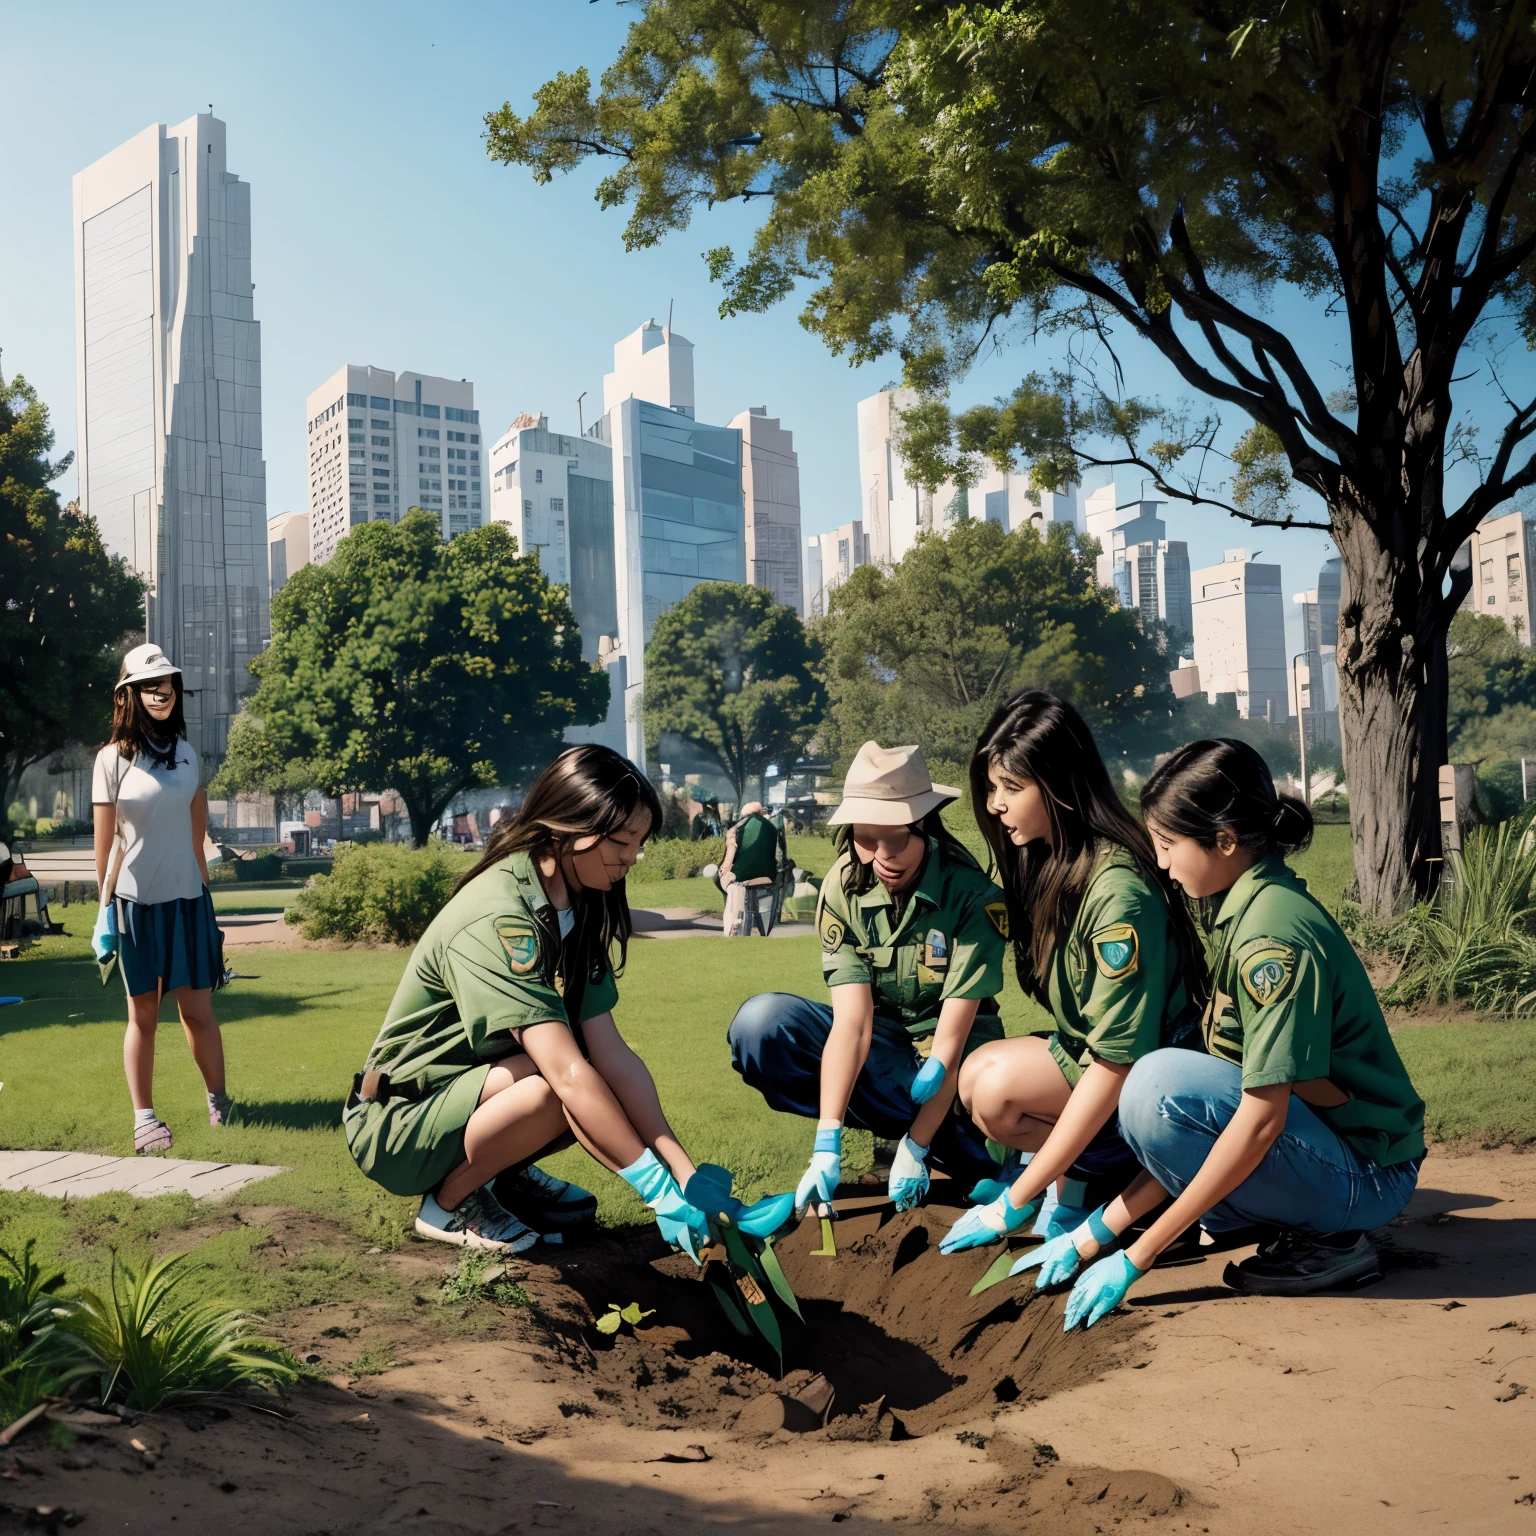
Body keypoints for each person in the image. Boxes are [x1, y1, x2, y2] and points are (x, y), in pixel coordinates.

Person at [1056, 739, 1426, 1329]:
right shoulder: (1250, 910)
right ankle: (1300, 1223)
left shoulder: (1268, 939)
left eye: (1168, 843)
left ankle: (1334, 1243)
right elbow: (1218, 1119)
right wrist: (1094, 1234)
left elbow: (1258, 1121)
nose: (1161, 862)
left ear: (1224, 841)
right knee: (1157, 1088)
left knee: (1157, 1084)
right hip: (1333, 1152)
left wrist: (1135, 1257)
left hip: (1366, 1176)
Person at [344, 744, 719, 1255]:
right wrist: (656, 1192)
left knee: (592, 1076)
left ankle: (501, 1175)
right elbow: (566, 1074)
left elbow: (613, 1056)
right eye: (623, 840)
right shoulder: (499, 916)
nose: (633, 857)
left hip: (467, 1094)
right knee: (558, 1086)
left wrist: (684, 1172)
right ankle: (451, 1203)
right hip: (398, 1120)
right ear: (573, 828)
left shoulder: (576, 903)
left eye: (640, 841)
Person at [939, 691, 1207, 1261]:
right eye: (992, 788)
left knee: (994, 1091)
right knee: (978, 1080)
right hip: (1100, 1055)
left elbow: (1118, 1060)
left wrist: (1018, 1197)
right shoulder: (1052, 864)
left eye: (1012, 789)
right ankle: (1091, 1177)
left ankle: (1136, 1173)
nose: (995, 806)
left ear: (1058, 786)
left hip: (1150, 1074)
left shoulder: (1115, 893)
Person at [728, 741, 1009, 1215]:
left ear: (925, 826)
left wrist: (916, 1145)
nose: (882, 856)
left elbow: (950, 1046)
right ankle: (929, 1143)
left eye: (897, 839)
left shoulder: (973, 896)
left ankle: (959, 1150)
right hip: (882, 1046)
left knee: (976, 1112)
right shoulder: (842, 885)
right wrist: (826, 1143)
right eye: (865, 837)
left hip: (955, 1058)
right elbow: (852, 1023)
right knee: (763, 1023)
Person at [90, 645, 232, 1154]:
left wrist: (205, 895)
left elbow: (198, 837)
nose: (160, 692)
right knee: (143, 1016)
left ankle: (220, 1102)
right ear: (127, 694)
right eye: (148, 685)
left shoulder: (189, 755)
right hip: (134, 906)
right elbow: (103, 848)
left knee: (198, 1012)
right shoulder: (109, 761)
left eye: (166, 682)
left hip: (188, 903)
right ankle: (144, 1120)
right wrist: (103, 910)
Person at [720, 801, 785, 937]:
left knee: (727, 881)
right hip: (768, 877)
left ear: (743, 814)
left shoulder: (736, 828)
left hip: (743, 878)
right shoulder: (772, 828)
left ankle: (732, 927)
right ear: (760, 812)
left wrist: (722, 871)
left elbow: (728, 860)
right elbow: (778, 856)